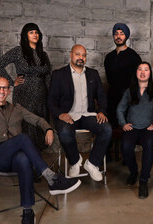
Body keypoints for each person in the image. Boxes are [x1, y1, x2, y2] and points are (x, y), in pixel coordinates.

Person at [0, 77, 80, 224]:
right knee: (23, 138)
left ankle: (27, 212)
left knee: (23, 159)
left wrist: (48, 129)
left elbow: (38, 120)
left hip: (15, 161)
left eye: (5, 88)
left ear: (8, 91)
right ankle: (52, 178)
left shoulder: (17, 109)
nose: (2, 91)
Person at [48, 44, 112, 182]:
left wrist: (101, 111)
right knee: (64, 132)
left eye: (83, 55)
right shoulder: (59, 74)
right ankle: (75, 160)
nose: (81, 58)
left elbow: (101, 96)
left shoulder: (93, 74)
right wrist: (60, 114)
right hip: (68, 115)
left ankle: (92, 163)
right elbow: (51, 100)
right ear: (71, 54)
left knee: (107, 129)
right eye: (78, 54)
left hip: (88, 115)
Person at [0, 23, 52, 150]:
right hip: (24, 93)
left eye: (36, 32)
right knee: (27, 123)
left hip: (41, 94)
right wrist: (10, 82)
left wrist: (50, 94)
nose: (35, 35)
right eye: (31, 32)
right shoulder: (18, 51)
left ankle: (38, 157)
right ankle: (27, 154)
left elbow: (48, 75)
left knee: (40, 123)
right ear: (25, 35)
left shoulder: (43, 54)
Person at [117, 62, 153, 199]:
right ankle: (134, 172)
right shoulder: (129, 91)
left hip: (148, 128)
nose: (143, 72)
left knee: (148, 145)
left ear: (150, 73)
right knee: (126, 146)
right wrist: (123, 123)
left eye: (146, 70)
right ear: (136, 73)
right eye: (140, 69)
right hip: (132, 127)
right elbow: (120, 108)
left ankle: (143, 180)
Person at [104, 22, 142, 128]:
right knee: (111, 129)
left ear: (126, 36)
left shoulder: (134, 57)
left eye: (121, 33)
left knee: (126, 130)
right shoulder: (109, 57)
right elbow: (109, 79)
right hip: (112, 99)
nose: (118, 36)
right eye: (116, 33)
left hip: (128, 99)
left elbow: (138, 81)